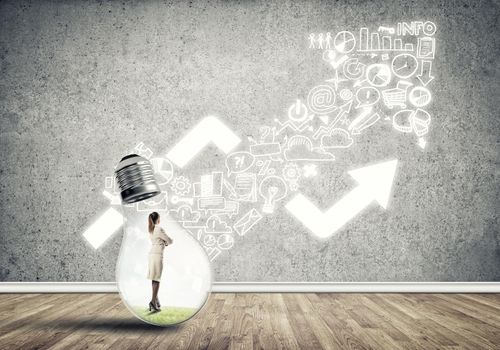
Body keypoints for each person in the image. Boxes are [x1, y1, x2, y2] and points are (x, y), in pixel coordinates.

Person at [147, 212, 173, 312]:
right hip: (157, 255)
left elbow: (159, 240)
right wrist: (166, 242)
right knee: (157, 279)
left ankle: (156, 300)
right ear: (157, 219)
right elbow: (170, 241)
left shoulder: (151, 229)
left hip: (152, 254)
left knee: (153, 278)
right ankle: (153, 302)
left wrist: (163, 242)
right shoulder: (159, 229)